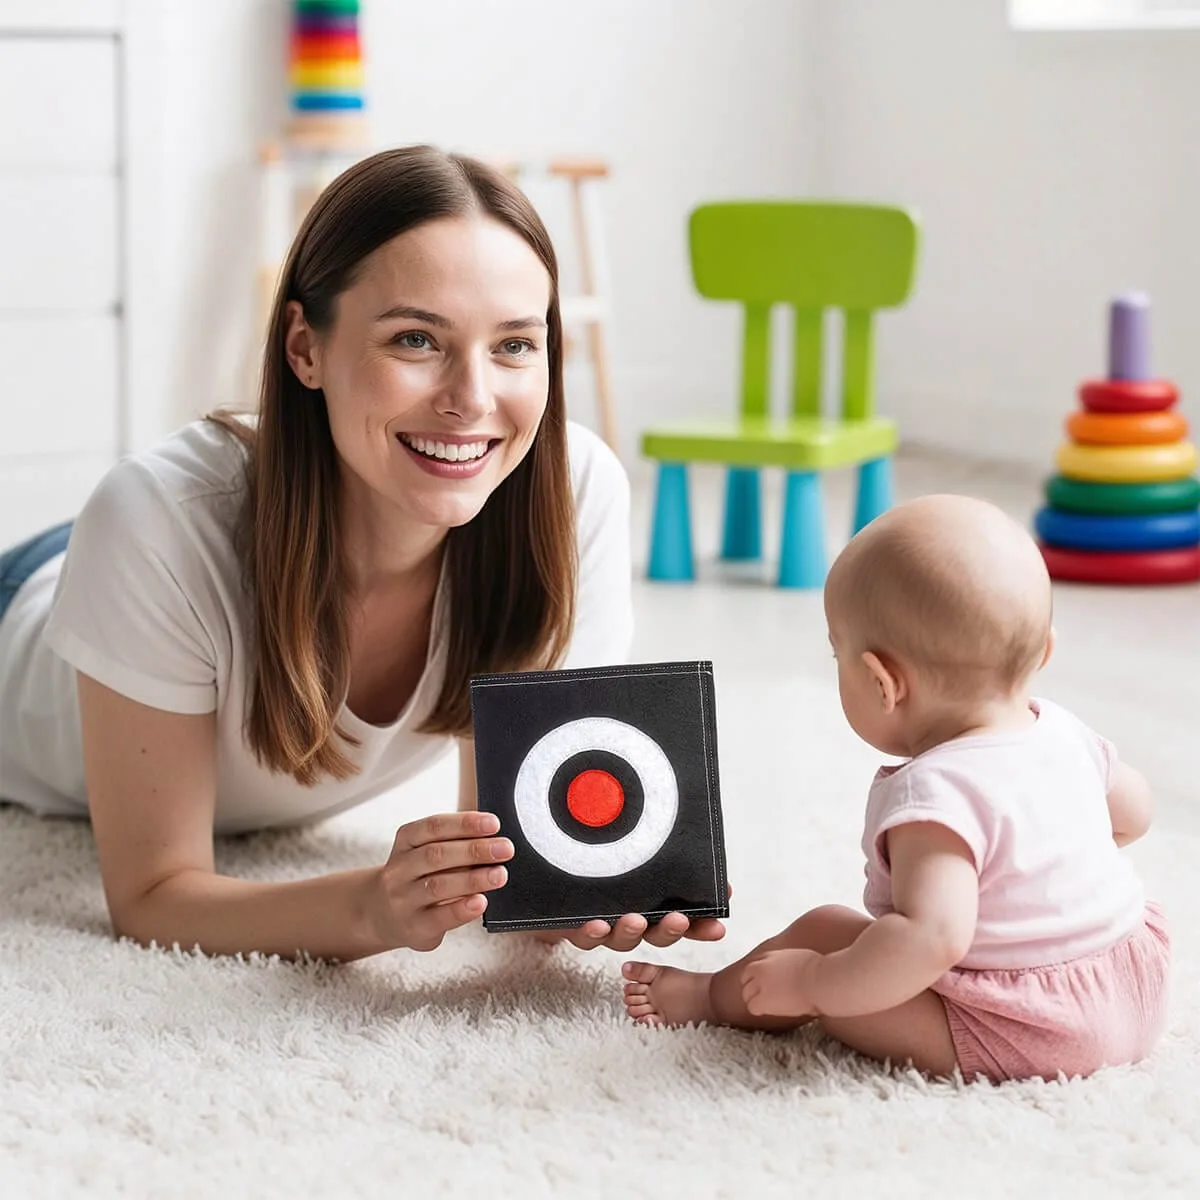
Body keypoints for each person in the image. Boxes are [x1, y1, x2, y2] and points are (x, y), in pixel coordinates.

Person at [0, 145, 727, 963]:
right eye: (416, 339)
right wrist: (369, 910)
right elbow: (153, 895)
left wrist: (576, 889)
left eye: (515, 345)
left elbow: (505, 854)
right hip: (34, 603)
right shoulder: (152, 523)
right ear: (304, 348)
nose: (472, 400)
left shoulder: (570, 493)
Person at [622, 494, 1169, 1083]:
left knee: (823, 939)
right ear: (1045, 650)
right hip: (1136, 983)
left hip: (1035, 1030)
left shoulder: (935, 797)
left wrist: (812, 983)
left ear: (885, 684)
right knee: (855, 942)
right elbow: (1135, 813)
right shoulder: (1062, 729)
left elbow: (933, 937)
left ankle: (711, 999)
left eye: (838, 653)